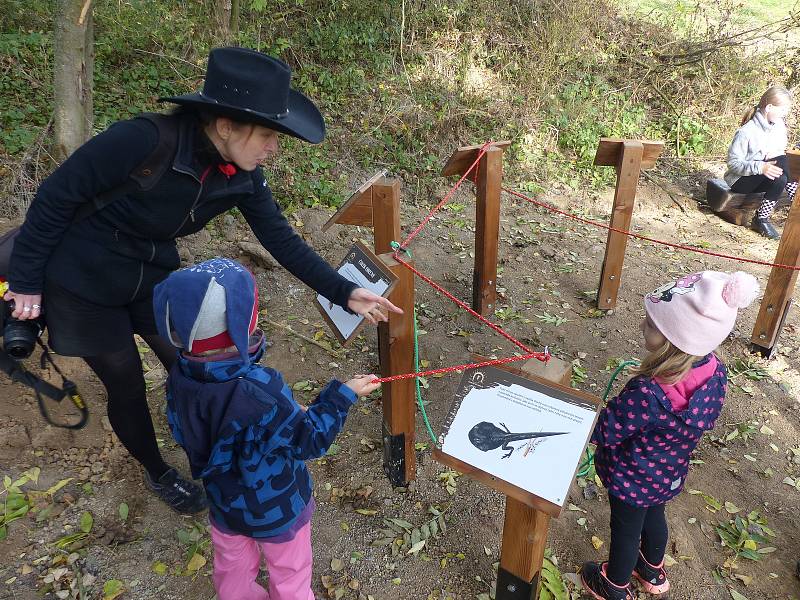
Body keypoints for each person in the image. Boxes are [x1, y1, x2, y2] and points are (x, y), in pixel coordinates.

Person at [3, 47, 400, 513]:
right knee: (126, 384)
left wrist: (343, 290)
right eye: (268, 134)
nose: (274, 147)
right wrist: (27, 281)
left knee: (195, 370)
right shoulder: (142, 141)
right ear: (227, 124)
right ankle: (159, 472)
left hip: (151, 279)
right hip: (81, 284)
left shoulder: (243, 175)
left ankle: (210, 453)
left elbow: (280, 240)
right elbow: (54, 198)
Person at [152, 257, 378, 600]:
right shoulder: (261, 389)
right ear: (241, 322)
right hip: (278, 508)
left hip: (224, 503)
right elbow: (309, 440)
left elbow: (188, 428)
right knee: (289, 570)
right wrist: (341, 396)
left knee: (231, 566)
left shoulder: (179, 377)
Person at [581, 271, 759, 600]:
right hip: (669, 471)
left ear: (672, 340)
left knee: (625, 530)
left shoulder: (647, 392)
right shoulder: (715, 372)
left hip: (631, 476)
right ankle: (651, 570)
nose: (642, 326)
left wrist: (594, 417)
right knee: (655, 516)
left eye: (651, 325)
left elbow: (606, 431)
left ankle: (614, 586)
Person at [725, 86, 794, 239]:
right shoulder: (746, 132)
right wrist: (761, 166)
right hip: (740, 180)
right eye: (782, 111)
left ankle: (761, 219)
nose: (784, 115)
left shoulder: (779, 126)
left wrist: (772, 156)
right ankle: (796, 198)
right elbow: (733, 163)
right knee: (784, 160)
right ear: (769, 107)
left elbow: (778, 150)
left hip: (763, 175)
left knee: (781, 177)